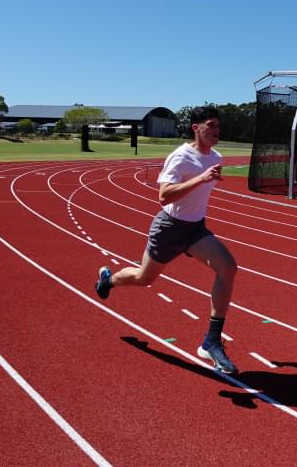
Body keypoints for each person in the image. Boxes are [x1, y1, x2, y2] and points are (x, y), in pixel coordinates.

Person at [94, 106, 238, 374]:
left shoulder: (216, 156)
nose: (217, 131)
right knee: (144, 278)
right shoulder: (181, 157)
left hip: (195, 229)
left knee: (228, 267)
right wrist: (200, 179)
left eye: (219, 125)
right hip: (169, 228)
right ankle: (109, 280)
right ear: (196, 127)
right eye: (211, 125)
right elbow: (164, 196)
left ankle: (212, 342)